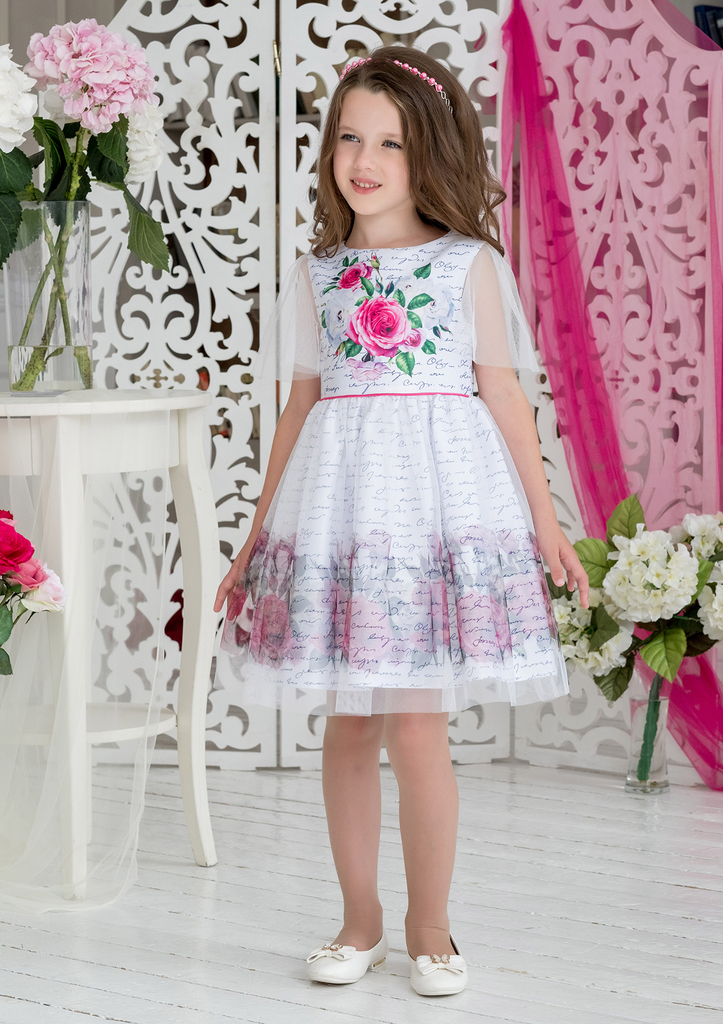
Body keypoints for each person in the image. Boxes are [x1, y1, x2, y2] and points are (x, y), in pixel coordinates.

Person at [214, 44, 588, 998]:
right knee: (349, 728)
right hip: (340, 511)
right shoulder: (318, 276)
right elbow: (298, 407)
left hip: (432, 510)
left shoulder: (467, 265)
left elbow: (503, 396)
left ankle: (430, 926)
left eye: (389, 142)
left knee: (417, 728)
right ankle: (360, 921)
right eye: (349, 138)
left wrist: (544, 522)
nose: (364, 160)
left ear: (429, 153)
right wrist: (256, 536)